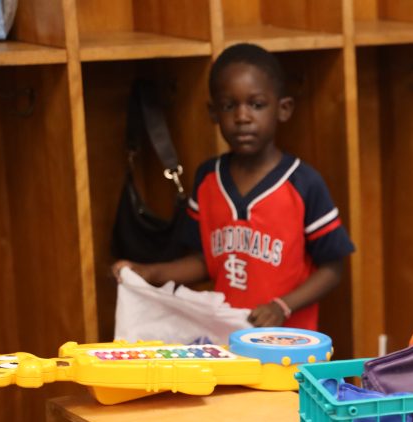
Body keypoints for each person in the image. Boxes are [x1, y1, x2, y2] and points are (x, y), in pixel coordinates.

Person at [113, 43, 354, 331]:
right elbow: (206, 262)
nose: (242, 117)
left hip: (290, 347)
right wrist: (149, 272)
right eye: (230, 106)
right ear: (214, 113)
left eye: (256, 104)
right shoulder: (207, 179)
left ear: (283, 109)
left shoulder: (303, 183)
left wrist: (283, 306)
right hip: (228, 340)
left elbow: (333, 267)